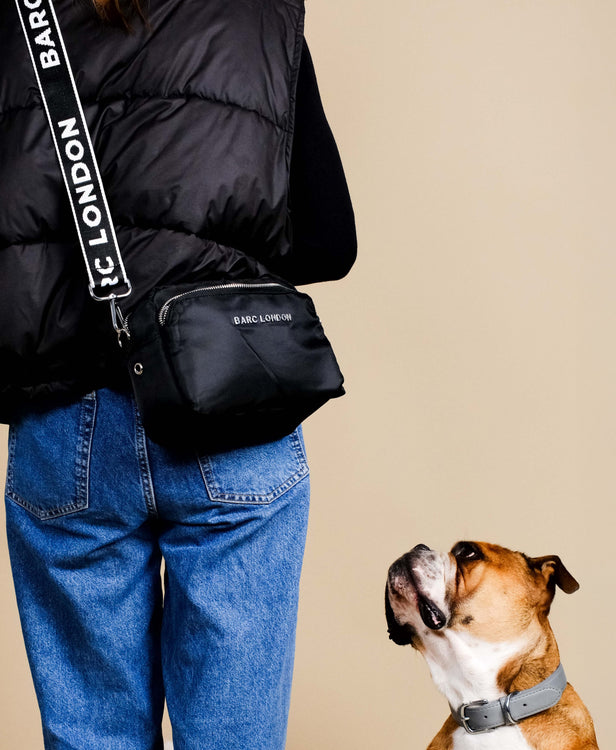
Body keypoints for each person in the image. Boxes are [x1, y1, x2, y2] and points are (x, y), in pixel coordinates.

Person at [0, 0, 356, 748]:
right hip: (226, 402)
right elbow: (330, 241)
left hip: (65, 419)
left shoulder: (18, 18)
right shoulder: (260, 15)